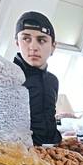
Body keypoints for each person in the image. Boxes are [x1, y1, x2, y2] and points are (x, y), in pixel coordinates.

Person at [13, 11, 62, 146]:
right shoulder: (8, 78)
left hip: (52, 153)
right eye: (26, 39)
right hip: (18, 156)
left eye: (41, 40)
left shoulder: (53, 81)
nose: (33, 47)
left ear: (53, 46)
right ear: (17, 42)